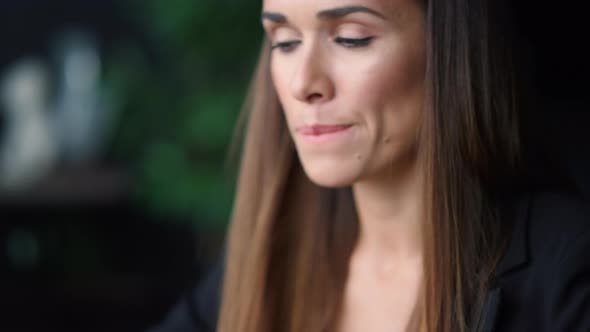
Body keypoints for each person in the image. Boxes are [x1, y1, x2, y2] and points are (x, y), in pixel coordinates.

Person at [148, 0, 590, 331]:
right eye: (284, 42)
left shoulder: (566, 267)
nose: (304, 83)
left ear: (449, 52)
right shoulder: (272, 250)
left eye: (351, 38)